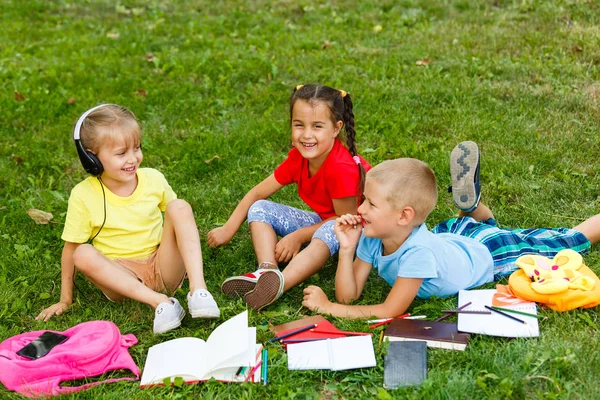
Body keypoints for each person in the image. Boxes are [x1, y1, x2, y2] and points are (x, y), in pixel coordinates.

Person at [302, 141, 600, 318]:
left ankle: (472, 209)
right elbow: (349, 297)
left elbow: (389, 310)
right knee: (476, 227)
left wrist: (328, 308)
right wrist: (347, 249)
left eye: (370, 203)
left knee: (568, 240)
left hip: (489, 252)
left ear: (404, 216)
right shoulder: (373, 235)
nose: (360, 210)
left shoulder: (417, 255)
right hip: (454, 236)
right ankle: (470, 208)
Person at [37, 104, 220, 334]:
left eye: (137, 148)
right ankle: (160, 303)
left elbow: (180, 222)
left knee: (179, 206)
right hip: (122, 277)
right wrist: (65, 299)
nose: (133, 158)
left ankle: (198, 291)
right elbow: (70, 250)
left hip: (162, 265)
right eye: (121, 153)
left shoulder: (153, 179)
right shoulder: (83, 195)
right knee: (81, 253)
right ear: (91, 158)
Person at [207, 84, 371, 311]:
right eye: (299, 125)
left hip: (357, 231)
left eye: (317, 126)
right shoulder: (299, 157)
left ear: (336, 129)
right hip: (329, 219)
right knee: (260, 207)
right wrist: (228, 228)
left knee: (327, 230)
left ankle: (280, 285)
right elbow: (257, 193)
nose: (306, 134)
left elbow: (345, 220)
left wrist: (297, 236)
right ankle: (267, 271)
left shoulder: (340, 168)